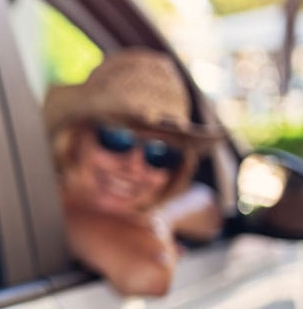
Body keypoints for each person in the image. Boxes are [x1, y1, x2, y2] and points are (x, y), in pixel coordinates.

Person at [42, 48, 225, 297]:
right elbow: (148, 275)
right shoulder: (52, 209)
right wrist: (157, 230)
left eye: (160, 154)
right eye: (117, 138)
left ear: (174, 171)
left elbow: (207, 205)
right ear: (75, 139)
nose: (134, 166)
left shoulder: (142, 211)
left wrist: (162, 216)